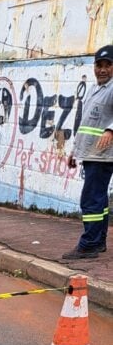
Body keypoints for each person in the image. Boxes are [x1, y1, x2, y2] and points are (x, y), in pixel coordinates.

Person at [63, 45, 113, 260]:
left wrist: (111, 130)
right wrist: (75, 150)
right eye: (98, 65)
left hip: (103, 154)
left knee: (91, 199)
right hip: (90, 153)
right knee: (99, 201)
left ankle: (89, 245)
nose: (102, 70)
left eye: (108, 65)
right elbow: (85, 124)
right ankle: (99, 241)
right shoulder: (94, 90)